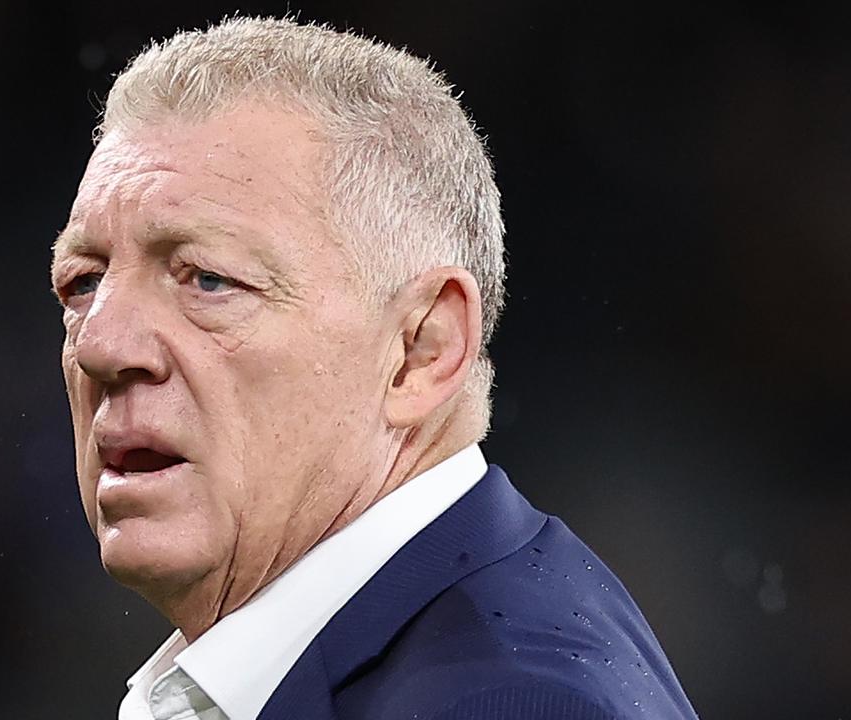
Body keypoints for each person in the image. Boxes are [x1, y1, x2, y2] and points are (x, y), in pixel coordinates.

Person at [50, 16, 698, 720]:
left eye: (207, 280)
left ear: (421, 350)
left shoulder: (513, 703)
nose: (101, 346)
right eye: (84, 283)